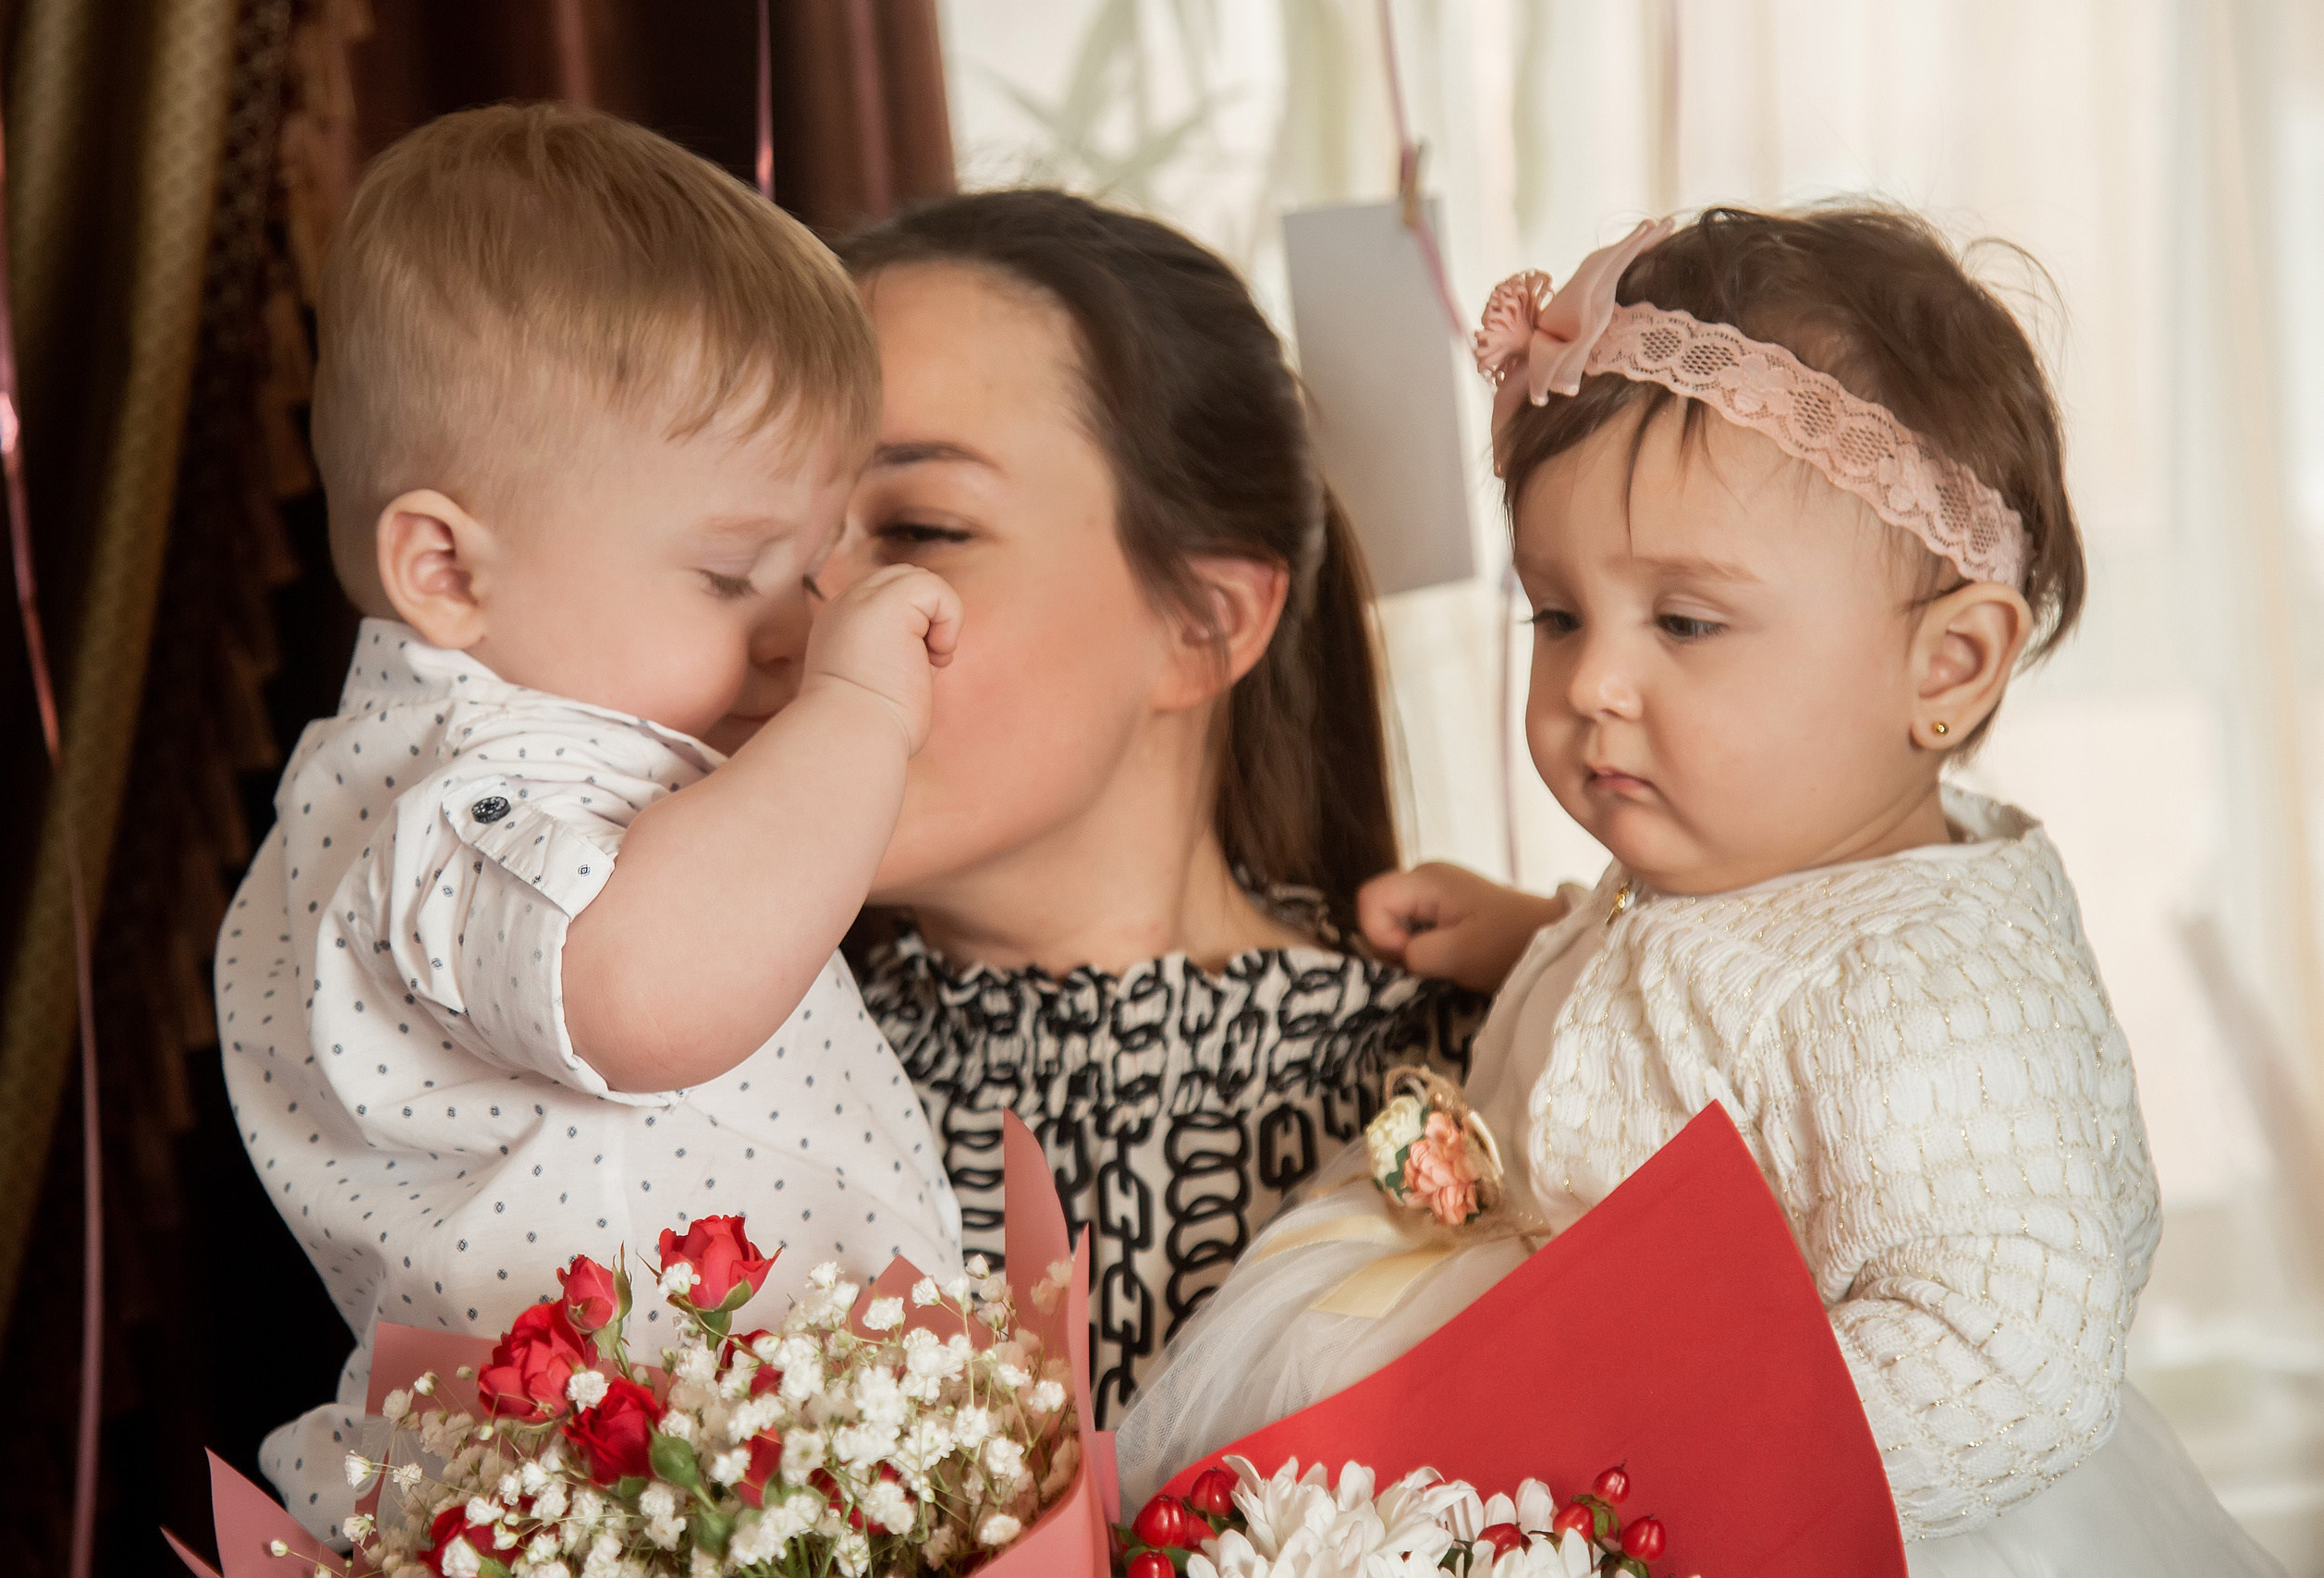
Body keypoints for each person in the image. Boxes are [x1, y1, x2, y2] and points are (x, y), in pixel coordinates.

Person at [1118, 206, 2281, 1576]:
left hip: (1766, 1510)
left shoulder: (1941, 995)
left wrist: (1667, 1488)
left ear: (1948, 667)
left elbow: (2004, 1349)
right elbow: (1691, 1003)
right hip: (1522, 1383)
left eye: (1684, 621)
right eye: (1557, 616)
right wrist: (1529, 936)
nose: (1595, 682)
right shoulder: (1755, 839)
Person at [215, 104, 960, 1542]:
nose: (797, 633)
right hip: (630, 1511)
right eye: (729, 573)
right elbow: (646, 990)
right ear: (444, 568)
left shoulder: (554, 766)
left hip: (727, 1498)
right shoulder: (459, 805)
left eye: (808, 576)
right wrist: (862, 714)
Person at [828, 191, 1486, 1427]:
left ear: (1205, 622)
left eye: (917, 528)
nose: (811, 613)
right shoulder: (696, 1095)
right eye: (757, 540)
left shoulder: (1488, 1088)